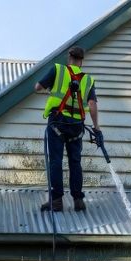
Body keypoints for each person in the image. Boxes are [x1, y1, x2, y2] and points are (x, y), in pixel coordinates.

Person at [34, 45, 100, 212]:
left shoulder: (58, 70)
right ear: (81, 61)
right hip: (77, 127)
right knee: (75, 162)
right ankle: (78, 200)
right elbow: (92, 104)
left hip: (58, 122)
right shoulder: (88, 80)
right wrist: (96, 127)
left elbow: (37, 87)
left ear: (69, 57)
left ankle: (56, 201)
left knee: (56, 161)